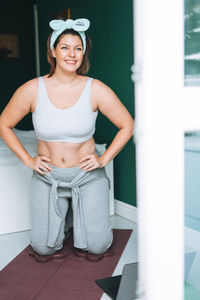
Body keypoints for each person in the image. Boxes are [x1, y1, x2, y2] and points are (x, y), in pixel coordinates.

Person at [0, 18, 134, 263]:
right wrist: (28, 160)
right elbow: (4, 124)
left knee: (97, 247)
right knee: (43, 249)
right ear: (52, 51)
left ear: (84, 53)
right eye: (65, 47)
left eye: (78, 48)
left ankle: (79, 220)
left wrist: (104, 158)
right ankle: (64, 222)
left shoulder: (96, 89)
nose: (72, 54)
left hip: (87, 176)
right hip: (48, 176)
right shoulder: (31, 89)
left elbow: (127, 125)